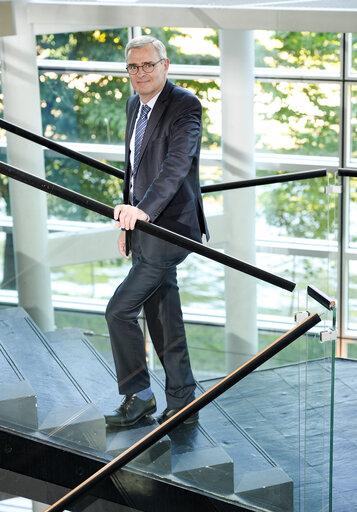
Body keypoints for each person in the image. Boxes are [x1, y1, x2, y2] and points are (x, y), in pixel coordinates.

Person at [104, 35, 209, 428]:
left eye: (149, 65)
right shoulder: (134, 104)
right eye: (133, 67)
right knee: (164, 315)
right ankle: (182, 401)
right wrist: (127, 223)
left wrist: (142, 212)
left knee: (119, 310)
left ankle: (140, 396)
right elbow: (132, 171)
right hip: (143, 227)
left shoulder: (185, 106)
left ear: (165, 65)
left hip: (171, 229)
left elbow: (175, 167)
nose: (141, 74)